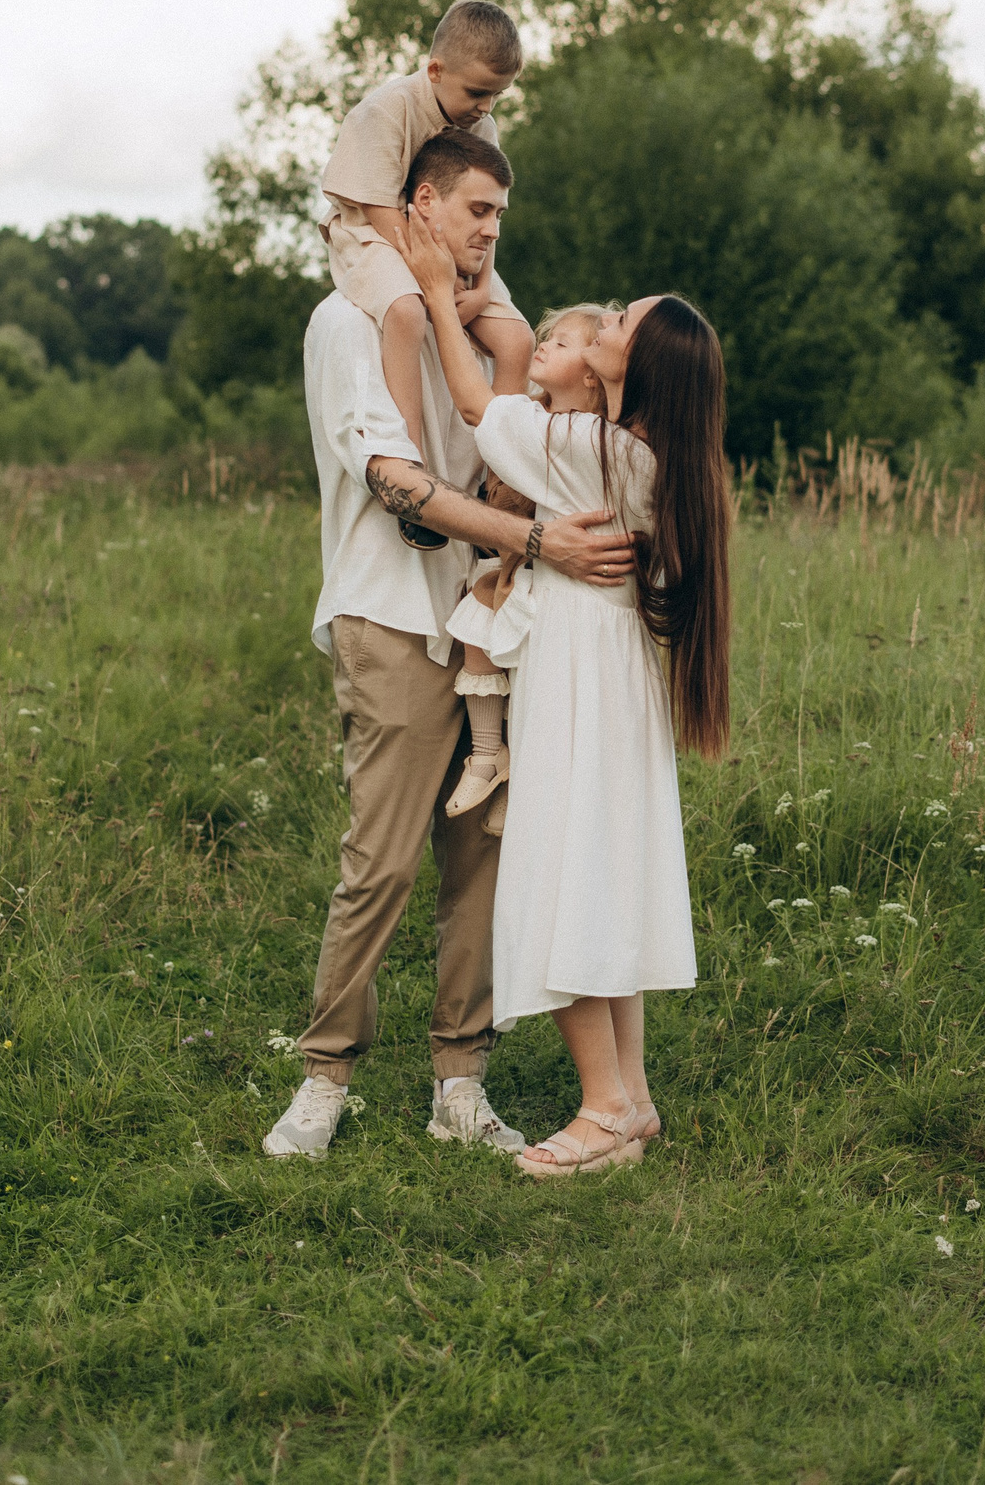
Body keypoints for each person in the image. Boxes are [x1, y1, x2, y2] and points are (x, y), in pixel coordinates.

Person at [265, 123, 635, 1163]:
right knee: (379, 863)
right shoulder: (351, 321)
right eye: (475, 210)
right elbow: (401, 489)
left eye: (499, 218)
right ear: (419, 207)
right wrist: (534, 537)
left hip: (500, 627)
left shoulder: (488, 325)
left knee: (481, 866)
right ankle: (324, 1078)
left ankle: (458, 1085)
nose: (488, 234)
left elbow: (528, 438)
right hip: (388, 615)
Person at [391, 210, 734, 1179]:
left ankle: (601, 1108)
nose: (607, 318)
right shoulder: (641, 457)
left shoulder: (595, 450)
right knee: (604, 874)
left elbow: (475, 407)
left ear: (640, 363)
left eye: (622, 319)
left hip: (582, 675)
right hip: (611, 672)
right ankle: (631, 1099)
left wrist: (430, 289)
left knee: (565, 872)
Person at [319, 0, 534, 539]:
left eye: (497, 95)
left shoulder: (481, 128)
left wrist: (480, 288)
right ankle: (412, 468)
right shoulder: (386, 109)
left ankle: (501, 486)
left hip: (451, 248)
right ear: (436, 70)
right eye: (477, 91)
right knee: (407, 314)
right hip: (375, 235)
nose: (485, 107)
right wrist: (433, 280)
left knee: (516, 343)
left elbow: (489, 218)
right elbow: (376, 207)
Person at [438, 303, 621, 833]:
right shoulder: (545, 418)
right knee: (485, 637)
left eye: (562, 344)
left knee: (519, 675)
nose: (545, 345)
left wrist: (435, 290)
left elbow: (480, 409)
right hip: (529, 570)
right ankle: (492, 757)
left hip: (552, 585)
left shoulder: (579, 434)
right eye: (549, 337)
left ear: (591, 374)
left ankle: (501, 762)